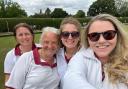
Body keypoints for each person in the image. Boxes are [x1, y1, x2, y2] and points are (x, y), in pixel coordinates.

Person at [62, 14, 128, 89]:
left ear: (117, 35)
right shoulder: (81, 58)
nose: (101, 40)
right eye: (94, 36)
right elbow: (71, 80)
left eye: (109, 34)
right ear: (88, 39)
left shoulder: (126, 58)